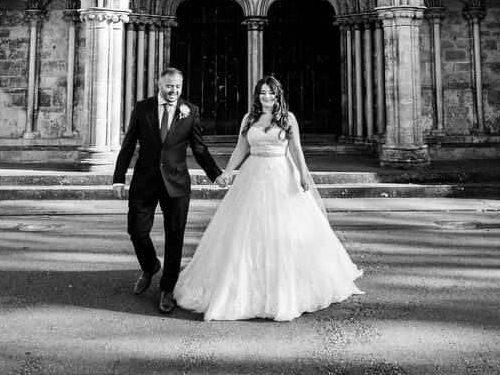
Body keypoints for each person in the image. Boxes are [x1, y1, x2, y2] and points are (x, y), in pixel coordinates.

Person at [173, 76, 362, 322]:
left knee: (283, 231)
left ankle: (285, 289)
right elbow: (241, 148)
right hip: (252, 175)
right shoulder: (249, 118)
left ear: (278, 95)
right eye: (263, 92)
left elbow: (296, 150)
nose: (267, 97)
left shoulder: (287, 118)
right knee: (244, 231)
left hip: (282, 176)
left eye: (271, 93)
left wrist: (304, 175)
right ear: (257, 95)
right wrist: (228, 173)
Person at [112, 68, 223, 314]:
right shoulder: (142, 108)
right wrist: (118, 178)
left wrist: (216, 175)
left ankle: (167, 289)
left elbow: (200, 148)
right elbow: (129, 144)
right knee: (137, 231)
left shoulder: (190, 111)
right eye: (169, 86)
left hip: (177, 184)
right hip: (145, 181)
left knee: (176, 238)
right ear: (158, 85)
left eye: (177, 87)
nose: (173, 91)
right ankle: (150, 265)